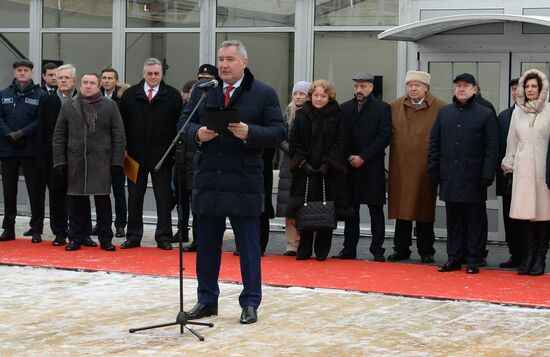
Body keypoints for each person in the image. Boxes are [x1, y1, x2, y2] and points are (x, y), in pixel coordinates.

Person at [181, 40, 285, 324]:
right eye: (220, 59)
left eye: (229, 59)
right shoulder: (205, 91)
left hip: (244, 181)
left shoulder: (263, 93)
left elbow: (278, 132)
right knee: (206, 247)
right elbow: (183, 124)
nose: (223, 65)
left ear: (244, 63)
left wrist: (250, 132)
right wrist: (197, 133)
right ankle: (206, 300)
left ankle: (250, 302)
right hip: (209, 179)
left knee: (249, 248)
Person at [428, 73, 498, 274]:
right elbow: (434, 143)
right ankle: (454, 258)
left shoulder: (484, 113)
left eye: (465, 86)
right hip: (449, 175)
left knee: (474, 220)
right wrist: (434, 171)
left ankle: (474, 259)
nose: (461, 89)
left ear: (474, 89)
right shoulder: (444, 113)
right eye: (458, 86)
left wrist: (487, 174)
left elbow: (491, 147)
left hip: (474, 177)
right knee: (454, 220)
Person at [52, 72, 126, 251]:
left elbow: (119, 134)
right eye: (85, 82)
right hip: (76, 160)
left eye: (92, 83)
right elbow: (59, 135)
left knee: (103, 202)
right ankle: (76, 238)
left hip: (101, 161)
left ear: (98, 84)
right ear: (80, 84)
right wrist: (60, 161)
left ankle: (105, 238)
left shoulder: (110, 105)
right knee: (76, 202)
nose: (88, 86)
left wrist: (117, 162)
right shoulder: (69, 106)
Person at [119, 58, 183, 251]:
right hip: (133, 156)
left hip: (163, 157)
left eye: (156, 73)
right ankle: (133, 236)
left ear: (162, 73)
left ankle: (163, 237)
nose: (153, 77)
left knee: (163, 199)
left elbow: (179, 126)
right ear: (143, 73)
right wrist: (123, 149)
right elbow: (121, 126)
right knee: (134, 198)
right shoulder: (129, 95)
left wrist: (174, 152)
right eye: (150, 74)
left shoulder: (172, 96)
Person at [287, 79, 352, 261]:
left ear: (329, 97)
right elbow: (294, 141)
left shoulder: (337, 115)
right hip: (305, 172)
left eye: (323, 96)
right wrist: (303, 163)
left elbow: (340, 142)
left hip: (328, 173)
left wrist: (328, 163)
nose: (318, 99)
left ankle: (322, 250)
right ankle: (304, 249)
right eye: (315, 95)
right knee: (304, 209)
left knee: (326, 210)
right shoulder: (302, 114)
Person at [387, 70, 446, 263]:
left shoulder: (441, 108)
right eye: (410, 85)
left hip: (425, 168)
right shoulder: (394, 106)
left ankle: (426, 250)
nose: (413, 88)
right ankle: (401, 249)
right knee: (402, 211)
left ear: (426, 88)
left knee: (424, 211)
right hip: (400, 167)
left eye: (417, 85)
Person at [333, 73, 392, 262]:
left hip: (372, 166)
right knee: (352, 211)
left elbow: (384, 137)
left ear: (371, 88)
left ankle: (377, 250)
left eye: (363, 86)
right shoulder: (344, 108)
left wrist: (363, 157)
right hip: (350, 167)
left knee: (376, 210)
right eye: (356, 86)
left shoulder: (383, 108)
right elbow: (339, 136)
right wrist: (349, 156)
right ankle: (349, 249)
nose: (359, 90)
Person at [502, 69, 550, 276]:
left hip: (543, 170)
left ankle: (540, 258)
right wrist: (509, 166)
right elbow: (512, 142)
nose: (529, 90)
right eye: (527, 86)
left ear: (542, 89)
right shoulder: (517, 112)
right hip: (522, 170)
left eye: (534, 86)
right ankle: (528, 256)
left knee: (544, 215)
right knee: (526, 216)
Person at [0, 59, 47, 243]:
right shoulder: (3, 94)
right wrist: (9, 135)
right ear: (14, 72)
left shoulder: (40, 95)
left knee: (35, 191)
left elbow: (39, 121)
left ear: (31, 73)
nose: (22, 73)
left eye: (25, 70)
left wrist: (21, 133)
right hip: (8, 148)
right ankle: (8, 228)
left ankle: (36, 229)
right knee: (9, 191)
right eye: (19, 70)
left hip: (30, 149)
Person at [36, 64, 80, 246]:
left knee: (77, 198)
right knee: (56, 196)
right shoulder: (47, 102)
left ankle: (78, 232)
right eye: (59, 77)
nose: (62, 81)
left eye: (66, 78)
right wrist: (41, 159)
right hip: (54, 158)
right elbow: (41, 131)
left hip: (78, 158)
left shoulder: (83, 100)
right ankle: (59, 232)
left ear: (74, 81)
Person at [174, 63, 217, 248]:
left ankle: (199, 239)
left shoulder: (213, 103)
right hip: (184, 160)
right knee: (182, 200)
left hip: (201, 160)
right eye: (201, 81)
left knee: (198, 203)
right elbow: (182, 126)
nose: (203, 84)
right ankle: (182, 231)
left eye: (207, 81)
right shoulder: (192, 103)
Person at [276, 81, 310, 256]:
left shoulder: (313, 114)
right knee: (289, 208)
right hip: (289, 167)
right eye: (296, 93)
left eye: (302, 94)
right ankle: (291, 245)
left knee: (306, 207)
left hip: (307, 167)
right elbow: (279, 138)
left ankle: (305, 243)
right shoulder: (287, 114)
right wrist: (294, 152)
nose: (298, 96)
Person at [93, 67, 127, 239]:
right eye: (104, 78)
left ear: (116, 80)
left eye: (110, 78)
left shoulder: (123, 99)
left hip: (117, 152)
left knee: (119, 190)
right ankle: (101, 223)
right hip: (99, 153)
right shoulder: (94, 98)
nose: (106, 81)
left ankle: (120, 224)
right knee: (100, 191)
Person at [496, 78, 523, 268]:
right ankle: (514, 254)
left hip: (530, 177)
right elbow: (498, 147)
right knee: (510, 217)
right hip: (508, 177)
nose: (516, 92)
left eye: (519, 88)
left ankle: (530, 256)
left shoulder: (539, 114)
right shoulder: (504, 116)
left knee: (528, 219)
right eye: (513, 89)